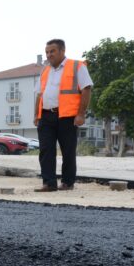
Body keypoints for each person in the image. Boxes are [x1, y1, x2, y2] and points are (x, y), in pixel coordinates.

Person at [33, 38, 93, 192]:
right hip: (46, 116)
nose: (49, 55)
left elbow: (86, 89)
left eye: (52, 51)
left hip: (67, 116)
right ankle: (49, 183)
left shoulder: (76, 66)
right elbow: (39, 94)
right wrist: (36, 115)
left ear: (62, 51)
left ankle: (67, 182)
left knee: (68, 151)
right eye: (47, 52)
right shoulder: (45, 70)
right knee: (46, 150)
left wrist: (81, 114)